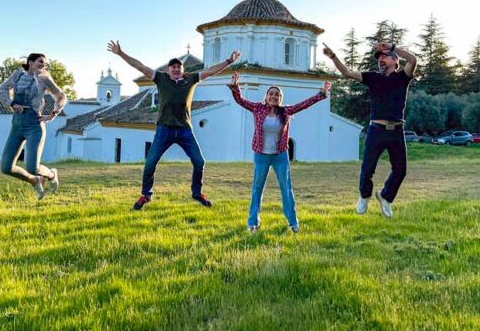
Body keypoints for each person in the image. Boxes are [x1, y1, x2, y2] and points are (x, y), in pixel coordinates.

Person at [107, 40, 240, 210]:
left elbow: (210, 72)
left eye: (179, 67)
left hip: (185, 130)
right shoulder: (161, 79)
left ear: (183, 71)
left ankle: (197, 193)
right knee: (150, 164)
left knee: (199, 162)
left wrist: (229, 61)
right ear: (168, 70)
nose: (176, 69)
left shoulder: (191, 79)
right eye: (173, 67)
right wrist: (120, 53)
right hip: (164, 130)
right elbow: (140, 66)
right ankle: (145, 195)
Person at [322, 42, 417, 218]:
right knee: (367, 169)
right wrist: (333, 56)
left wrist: (392, 47)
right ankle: (364, 196)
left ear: (396, 61)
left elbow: (413, 59)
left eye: (384, 56)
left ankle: (386, 197)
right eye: (378, 58)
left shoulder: (403, 77)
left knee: (400, 170)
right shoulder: (372, 77)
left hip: (396, 130)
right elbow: (347, 73)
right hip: (376, 130)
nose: (380, 60)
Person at [228, 71, 330, 233]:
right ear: (266, 96)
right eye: (271, 94)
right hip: (261, 154)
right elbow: (240, 100)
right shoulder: (257, 108)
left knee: (286, 187)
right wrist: (235, 87)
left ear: (280, 98)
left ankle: (293, 222)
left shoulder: (286, 111)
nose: (273, 96)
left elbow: (304, 104)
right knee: (257, 188)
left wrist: (321, 94)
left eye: (277, 95)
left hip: (280, 155)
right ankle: (252, 222)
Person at [0, 53, 67, 200]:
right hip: (17, 125)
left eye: (44, 63)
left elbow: (61, 96)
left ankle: (52, 175)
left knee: (32, 167)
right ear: (30, 62)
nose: (43, 65)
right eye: (40, 61)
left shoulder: (45, 79)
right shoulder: (17, 76)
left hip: (35, 125)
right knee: (6, 168)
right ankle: (34, 180)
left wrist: (53, 113)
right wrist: (12, 103)